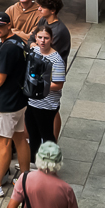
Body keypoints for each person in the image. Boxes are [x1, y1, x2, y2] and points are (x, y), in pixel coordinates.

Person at [0, 13, 31, 192]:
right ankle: (25, 177)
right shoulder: (17, 41)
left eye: (0, 25)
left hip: (7, 102)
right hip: (19, 100)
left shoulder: (8, 48)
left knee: (3, 143)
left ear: (9, 25)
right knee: (20, 138)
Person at [24, 25, 66, 160]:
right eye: (40, 37)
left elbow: (59, 84)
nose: (43, 41)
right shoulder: (34, 51)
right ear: (36, 38)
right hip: (31, 101)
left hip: (47, 104)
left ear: (51, 39)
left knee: (46, 135)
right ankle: (33, 160)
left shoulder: (57, 60)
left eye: (46, 38)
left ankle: (51, 162)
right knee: (32, 132)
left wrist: (39, 86)